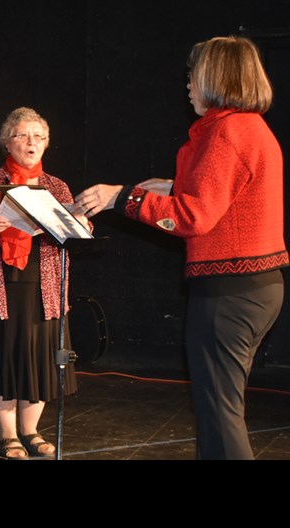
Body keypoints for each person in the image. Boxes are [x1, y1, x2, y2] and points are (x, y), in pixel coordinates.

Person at [75, 36, 287, 460]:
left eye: (194, 73)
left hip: (231, 292)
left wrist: (123, 197)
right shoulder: (247, 128)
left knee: (220, 415)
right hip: (253, 287)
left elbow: (194, 217)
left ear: (217, 76)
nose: (188, 83)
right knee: (219, 410)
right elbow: (229, 196)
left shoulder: (227, 132)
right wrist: (171, 187)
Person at [0, 107, 87, 460]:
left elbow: (73, 233)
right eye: (22, 135)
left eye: (38, 136)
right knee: (4, 355)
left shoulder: (56, 186)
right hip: (1, 281)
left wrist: (76, 224)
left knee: (41, 358)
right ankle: (7, 434)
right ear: (7, 141)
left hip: (44, 282)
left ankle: (30, 430)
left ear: (47, 143)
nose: (31, 141)